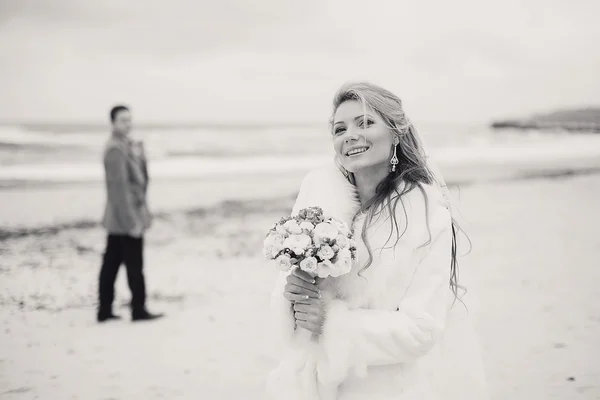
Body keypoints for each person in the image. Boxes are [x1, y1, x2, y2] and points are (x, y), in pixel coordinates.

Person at [267, 83, 488, 399]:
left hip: (384, 388)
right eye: (339, 129)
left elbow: (421, 330)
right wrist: (292, 296)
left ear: (396, 133)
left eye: (365, 123)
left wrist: (331, 326)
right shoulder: (317, 196)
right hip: (311, 385)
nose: (350, 135)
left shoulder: (426, 215)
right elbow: (289, 300)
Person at [97, 105, 163, 323]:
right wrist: (132, 222)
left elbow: (141, 180)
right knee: (134, 265)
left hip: (123, 216)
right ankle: (138, 309)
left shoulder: (128, 146)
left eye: (129, 120)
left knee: (112, 263)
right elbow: (119, 190)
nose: (128, 124)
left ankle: (105, 310)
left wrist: (140, 155)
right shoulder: (115, 149)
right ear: (113, 123)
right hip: (124, 217)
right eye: (123, 120)